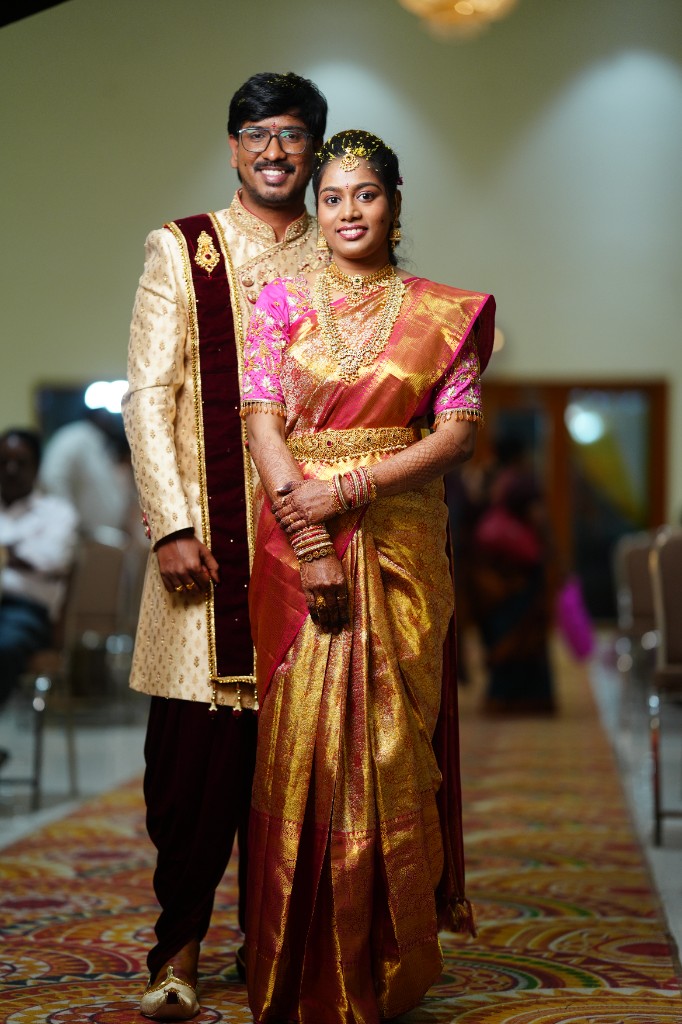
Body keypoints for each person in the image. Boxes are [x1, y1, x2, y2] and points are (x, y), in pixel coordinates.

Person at [241, 130, 495, 1024]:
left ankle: (387, 955)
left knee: (390, 745)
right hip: (294, 536)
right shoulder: (276, 304)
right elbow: (264, 428)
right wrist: (310, 537)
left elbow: (455, 438)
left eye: (367, 195)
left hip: (401, 542)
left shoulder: (446, 312)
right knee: (299, 746)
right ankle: (292, 952)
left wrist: (349, 486)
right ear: (316, 208)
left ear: (396, 202)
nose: (349, 212)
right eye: (334, 196)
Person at [121, 71, 328, 1019]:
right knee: (193, 780)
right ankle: (180, 952)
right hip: (204, 561)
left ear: (313, 149)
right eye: (257, 134)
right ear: (234, 146)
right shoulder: (184, 248)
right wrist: (169, 523)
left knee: (310, 773)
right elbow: (148, 398)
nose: (273, 151)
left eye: (290, 135)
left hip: (318, 553)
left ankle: (288, 950)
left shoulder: (343, 248)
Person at [0, 429, 79, 714]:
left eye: (20, 462)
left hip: (26, 612)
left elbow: (51, 560)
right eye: (4, 461)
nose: (10, 470)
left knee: (4, 644)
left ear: (36, 466)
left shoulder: (56, 512)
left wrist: (7, 554)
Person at [471, 463, 556, 714]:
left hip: (513, 594)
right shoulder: (504, 524)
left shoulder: (501, 520)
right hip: (509, 595)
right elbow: (532, 557)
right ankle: (515, 697)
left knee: (518, 644)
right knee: (514, 644)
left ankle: (514, 698)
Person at [40, 407, 133, 538]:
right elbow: (52, 477)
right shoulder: (75, 437)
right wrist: (70, 521)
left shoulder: (100, 442)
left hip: (104, 536)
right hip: (81, 536)